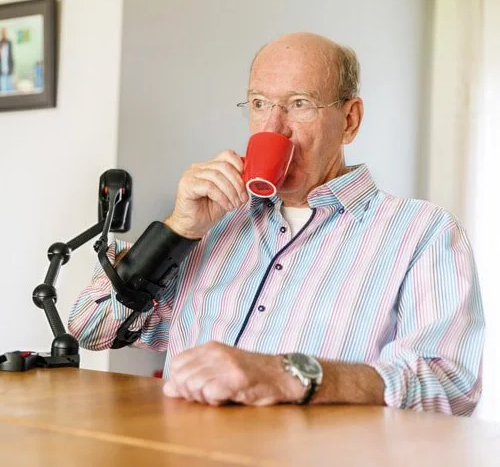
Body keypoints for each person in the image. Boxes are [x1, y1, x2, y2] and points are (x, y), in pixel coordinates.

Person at [68, 32, 484, 416]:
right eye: (260, 104)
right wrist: (178, 229)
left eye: (299, 103)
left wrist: (293, 375)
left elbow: (452, 384)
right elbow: (91, 328)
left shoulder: (423, 232)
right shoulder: (213, 225)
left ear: (350, 120)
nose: (272, 127)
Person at [0, 27, 14, 93]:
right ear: (1, 34)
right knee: (3, 92)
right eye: (2, 33)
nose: (4, 34)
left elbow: (11, 57)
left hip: (9, 71)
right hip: (1, 72)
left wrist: (12, 69)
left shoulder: (9, 43)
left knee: (10, 91)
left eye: (5, 32)